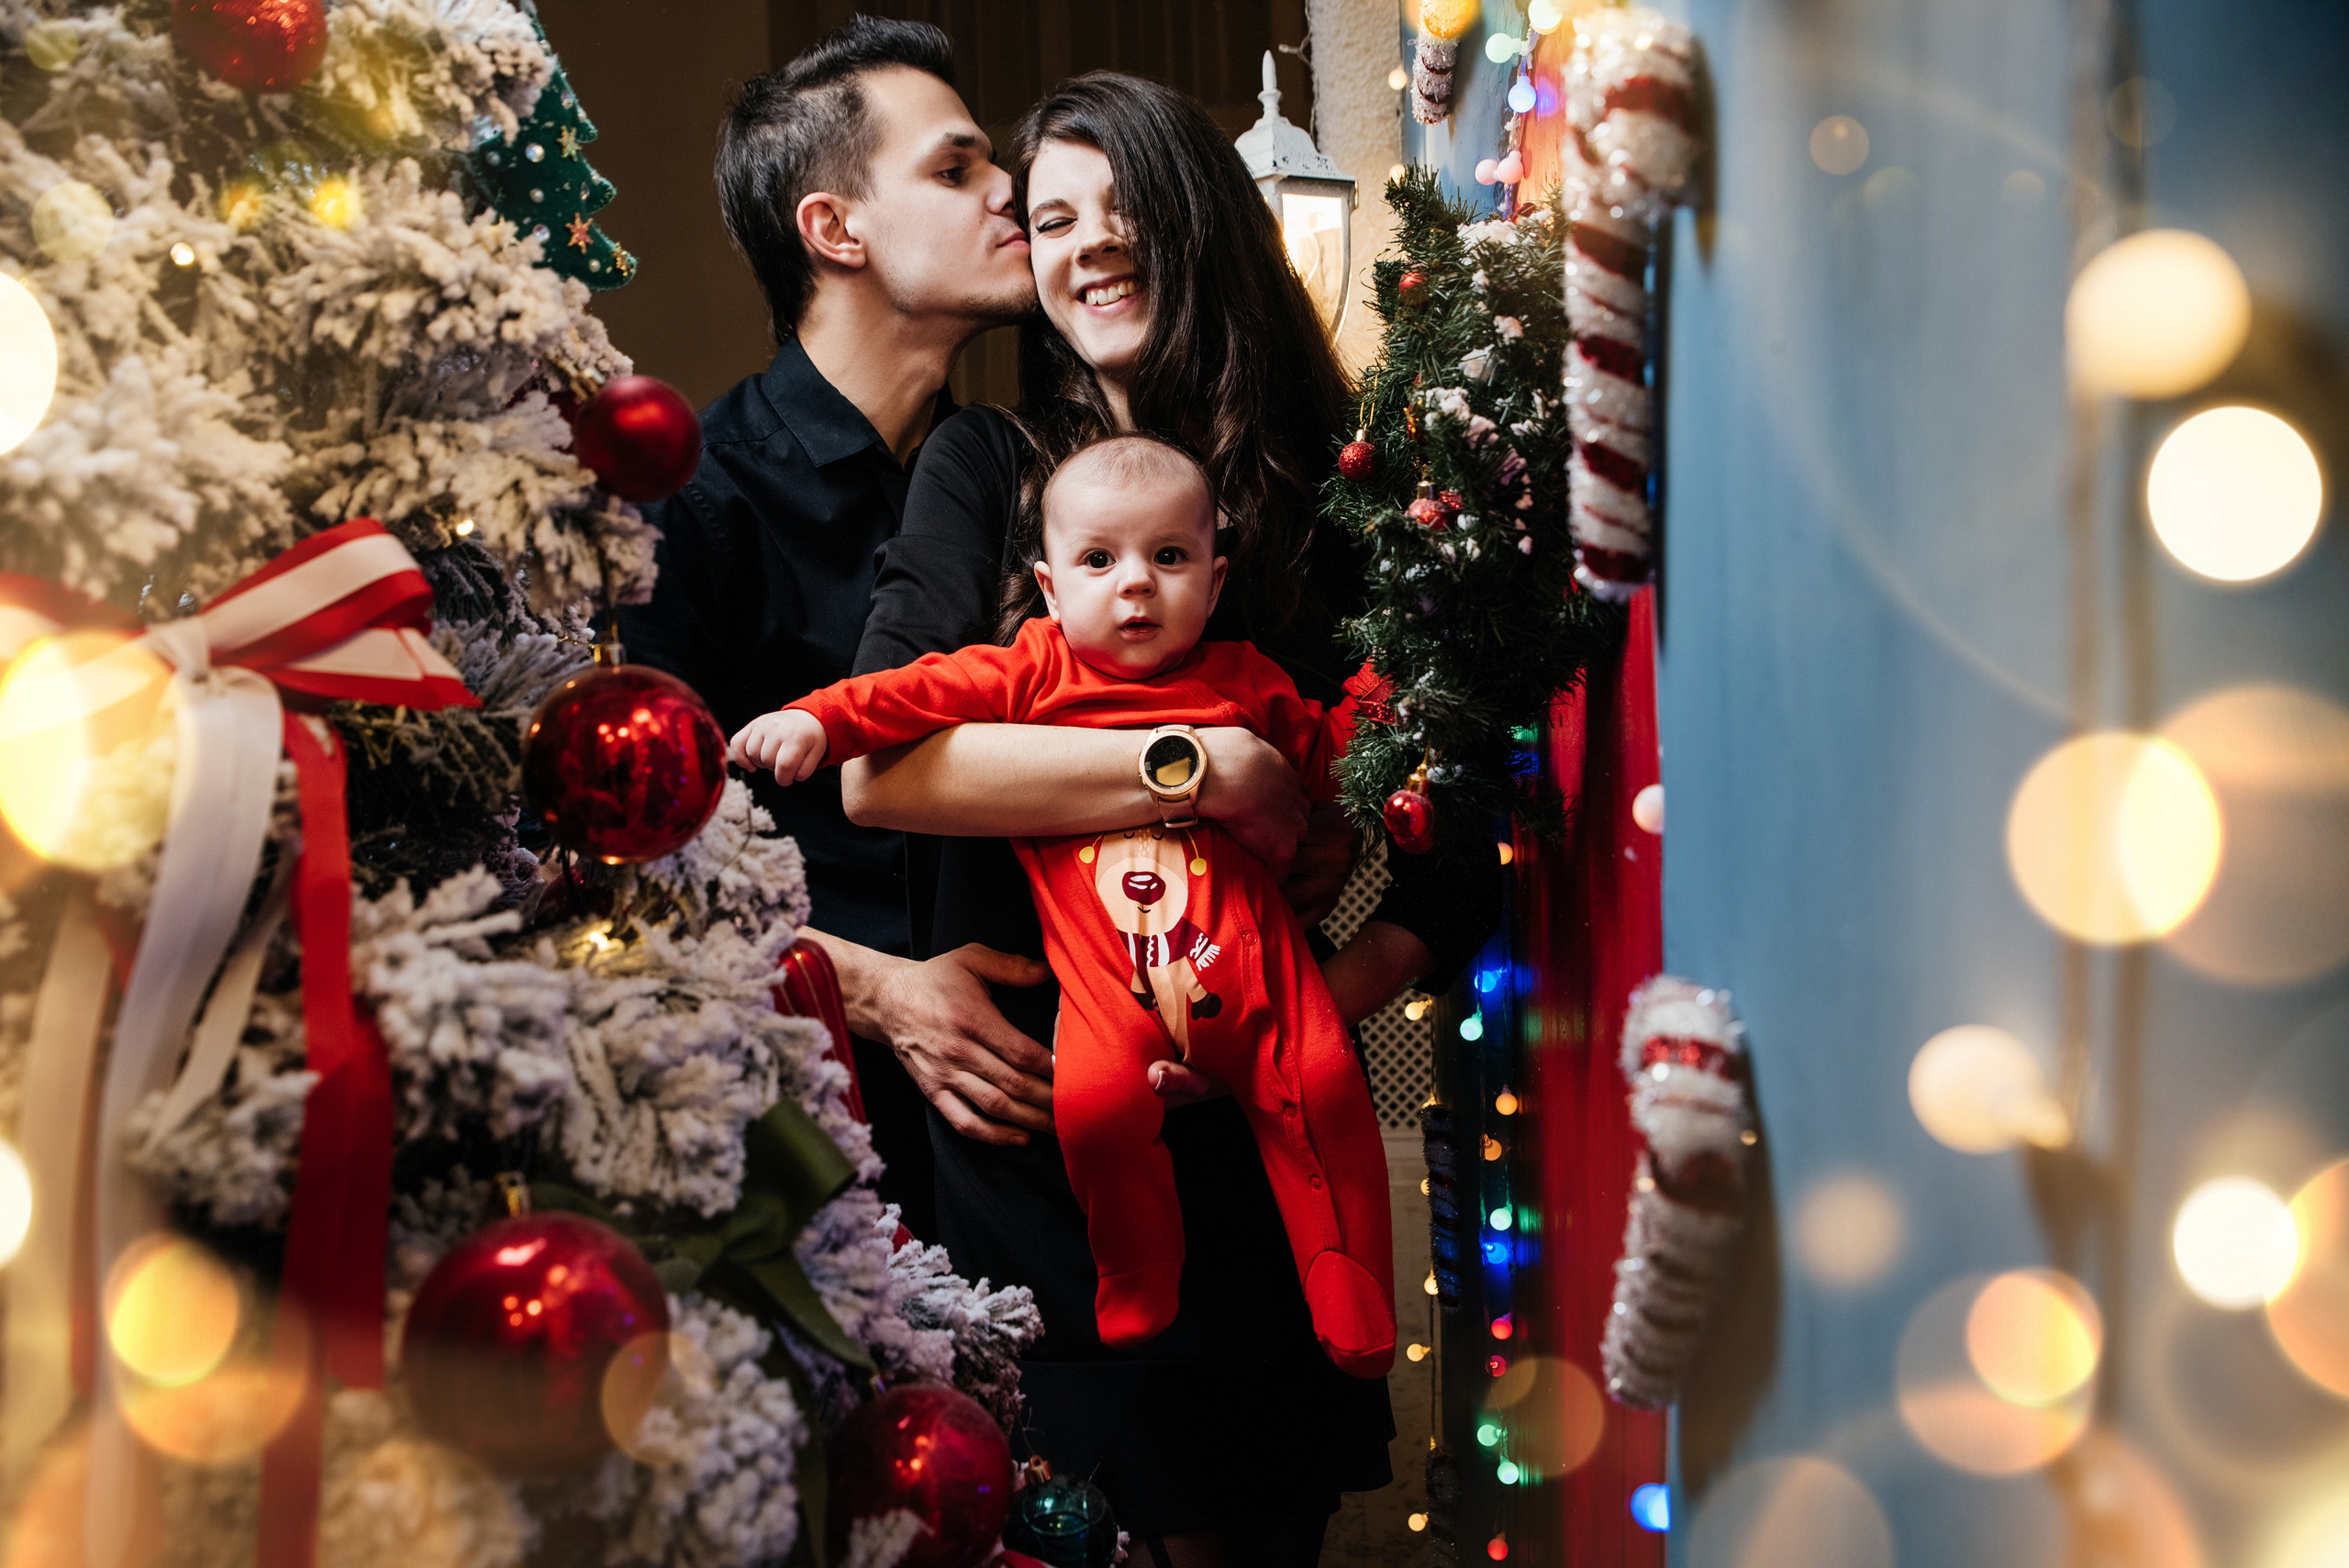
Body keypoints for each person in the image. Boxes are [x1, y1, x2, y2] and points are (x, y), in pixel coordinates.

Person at [841, 72, 1503, 1568]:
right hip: (1032, 1161)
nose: (1086, 245)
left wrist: (1300, 1027)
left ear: (1198, 213)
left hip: (1267, 1192)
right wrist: (1196, 767)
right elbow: (882, 762)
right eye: (1051, 216)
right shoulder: (989, 469)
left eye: (1120, 204)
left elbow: (1455, 856)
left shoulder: (1349, 499)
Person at [734, 435, 1398, 1375]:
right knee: (1092, 1109)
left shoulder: (1247, 681)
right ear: (1049, 588)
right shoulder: (1030, 671)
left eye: (1168, 558)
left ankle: (1351, 1276)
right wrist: (818, 719)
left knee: (1322, 1089)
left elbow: (1331, 755)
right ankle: (1136, 1263)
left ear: (1214, 581)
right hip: (1107, 996)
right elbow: (910, 694)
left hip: (1260, 982)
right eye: (1100, 560)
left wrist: (1392, 684)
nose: (1135, 585)